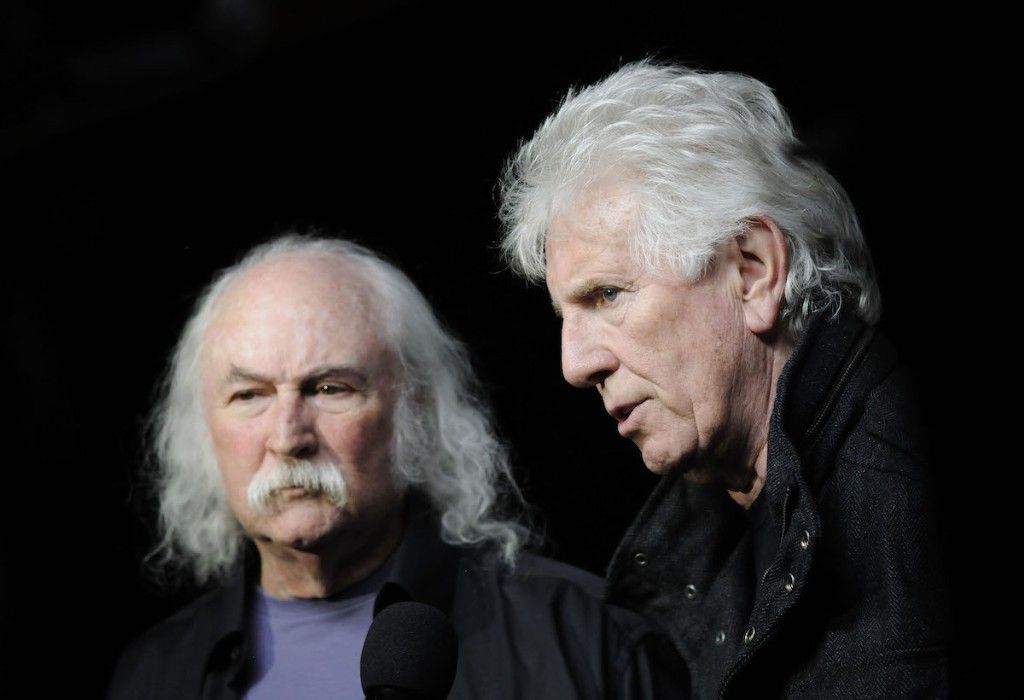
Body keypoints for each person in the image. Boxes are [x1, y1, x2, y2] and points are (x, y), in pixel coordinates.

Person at [499, 61, 951, 698]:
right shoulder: (711, 522)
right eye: (564, 316)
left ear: (753, 271)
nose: (574, 366)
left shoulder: (906, 503)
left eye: (608, 294)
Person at [108, 234, 685, 698]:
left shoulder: (590, 642)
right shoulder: (152, 676)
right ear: (201, 429)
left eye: (330, 388)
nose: (287, 437)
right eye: (249, 396)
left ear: (415, 413)